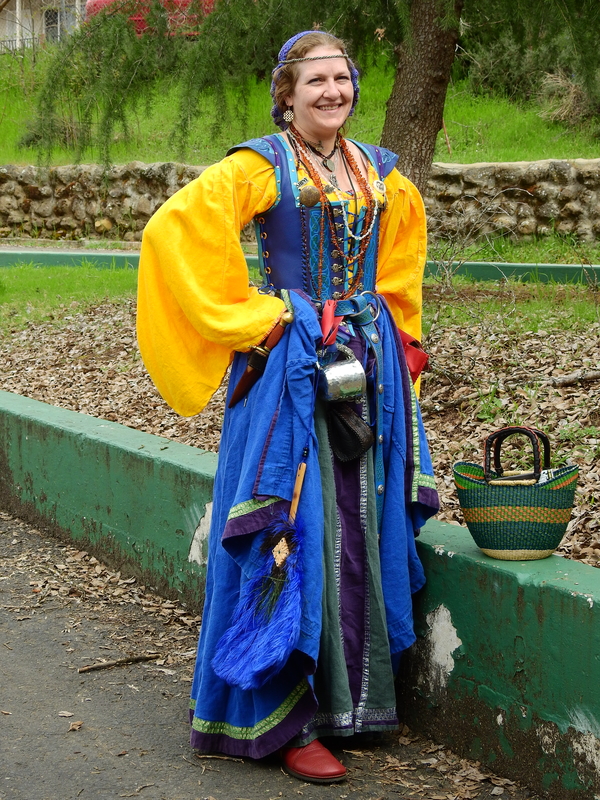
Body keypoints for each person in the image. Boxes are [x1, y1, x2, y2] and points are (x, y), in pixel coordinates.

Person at [137, 30, 439, 785]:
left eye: (342, 78)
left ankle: (347, 705)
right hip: (289, 374)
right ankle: (279, 720)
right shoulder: (259, 166)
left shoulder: (382, 173)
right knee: (292, 525)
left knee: (357, 525)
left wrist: (397, 339)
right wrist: (264, 318)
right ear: (287, 94)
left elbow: (401, 266)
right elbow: (174, 233)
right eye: (316, 81)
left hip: (364, 374)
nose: (333, 92)